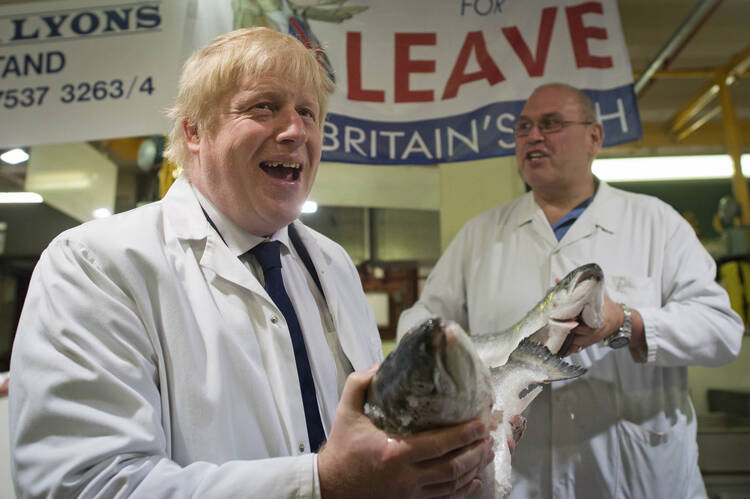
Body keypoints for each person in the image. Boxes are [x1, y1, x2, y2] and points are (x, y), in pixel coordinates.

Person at [9, 27, 494, 498]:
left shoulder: (333, 264)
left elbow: (372, 431)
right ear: (194, 131)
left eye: (309, 112)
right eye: (264, 107)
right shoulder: (95, 265)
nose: (295, 130)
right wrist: (322, 485)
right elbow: (84, 485)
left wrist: (440, 454)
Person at [397, 82, 744, 498]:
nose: (533, 136)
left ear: (594, 137)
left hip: (638, 479)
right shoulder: (480, 234)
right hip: (521, 480)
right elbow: (419, 324)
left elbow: (722, 332)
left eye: (551, 124)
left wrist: (626, 323)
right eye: (523, 127)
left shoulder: (656, 223)